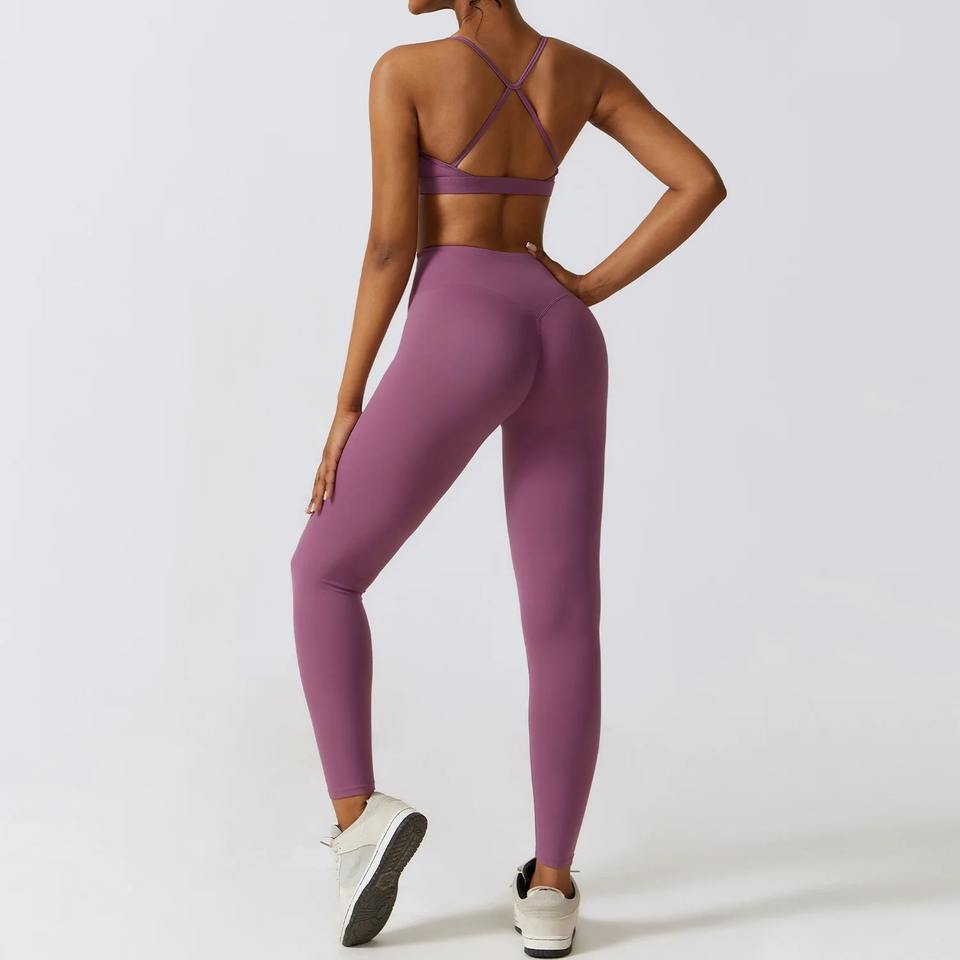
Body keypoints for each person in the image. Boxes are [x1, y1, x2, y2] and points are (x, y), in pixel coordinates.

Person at [290, 0, 725, 953]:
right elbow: (698, 182)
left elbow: (390, 246)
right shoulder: (581, 72)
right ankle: (552, 891)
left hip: (462, 325)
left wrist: (348, 401)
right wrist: (587, 287)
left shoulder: (405, 71)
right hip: (565, 336)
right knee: (564, 617)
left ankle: (359, 824)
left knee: (323, 572)